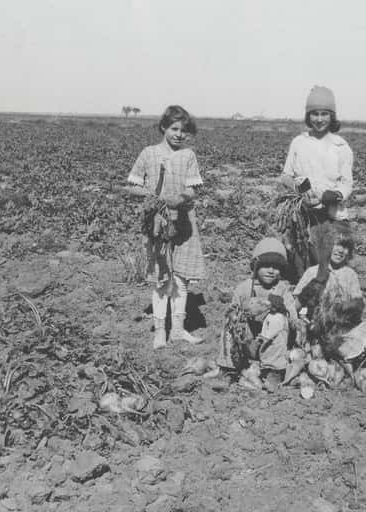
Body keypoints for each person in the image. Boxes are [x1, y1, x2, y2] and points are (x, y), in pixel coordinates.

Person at [126, 105, 206, 348]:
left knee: (181, 278)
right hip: (157, 223)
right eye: (174, 129)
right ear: (163, 127)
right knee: (162, 278)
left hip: (183, 222)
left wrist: (179, 199)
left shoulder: (188, 155)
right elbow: (131, 185)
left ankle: (178, 330)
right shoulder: (149, 153)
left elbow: (193, 189)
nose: (179, 134)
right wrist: (151, 196)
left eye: (183, 130)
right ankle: (160, 331)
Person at [279, 85, 354, 280]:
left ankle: (330, 301)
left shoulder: (341, 146)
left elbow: (347, 183)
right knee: (304, 260)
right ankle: (304, 303)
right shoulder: (299, 143)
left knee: (331, 263)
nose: (319, 119)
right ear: (308, 116)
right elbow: (286, 176)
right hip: (304, 213)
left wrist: (335, 195)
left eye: (324, 114)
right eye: (314, 114)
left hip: (332, 214)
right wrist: (300, 191)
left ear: (332, 116)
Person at [212, 238, 298, 391]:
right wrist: (236, 315)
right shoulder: (244, 288)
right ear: (256, 266)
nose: (271, 271)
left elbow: (293, 319)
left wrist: (281, 309)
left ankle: (273, 372)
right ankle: (228, 369)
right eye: (266, 266)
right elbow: (233, 309)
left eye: (276, 267)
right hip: (247, 343)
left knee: (277, 318)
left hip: (273, 347)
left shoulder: (282, 289)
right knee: (231, 319)